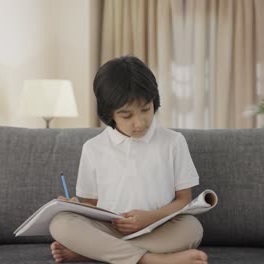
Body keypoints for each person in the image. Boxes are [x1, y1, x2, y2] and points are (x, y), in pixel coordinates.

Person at [49, 56, 208, 264]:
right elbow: (91, 205)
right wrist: (75, 206)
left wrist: (149, 218)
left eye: (145, 110)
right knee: (60, 223)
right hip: (110, 230)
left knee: (192, 229)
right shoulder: (93, 148)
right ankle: (152, 260)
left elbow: (184, 199)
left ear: (154, 102)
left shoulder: (173, 142)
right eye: (126, 116)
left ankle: (93, 252)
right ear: (110, 114)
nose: (139, 123)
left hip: (158, 227)